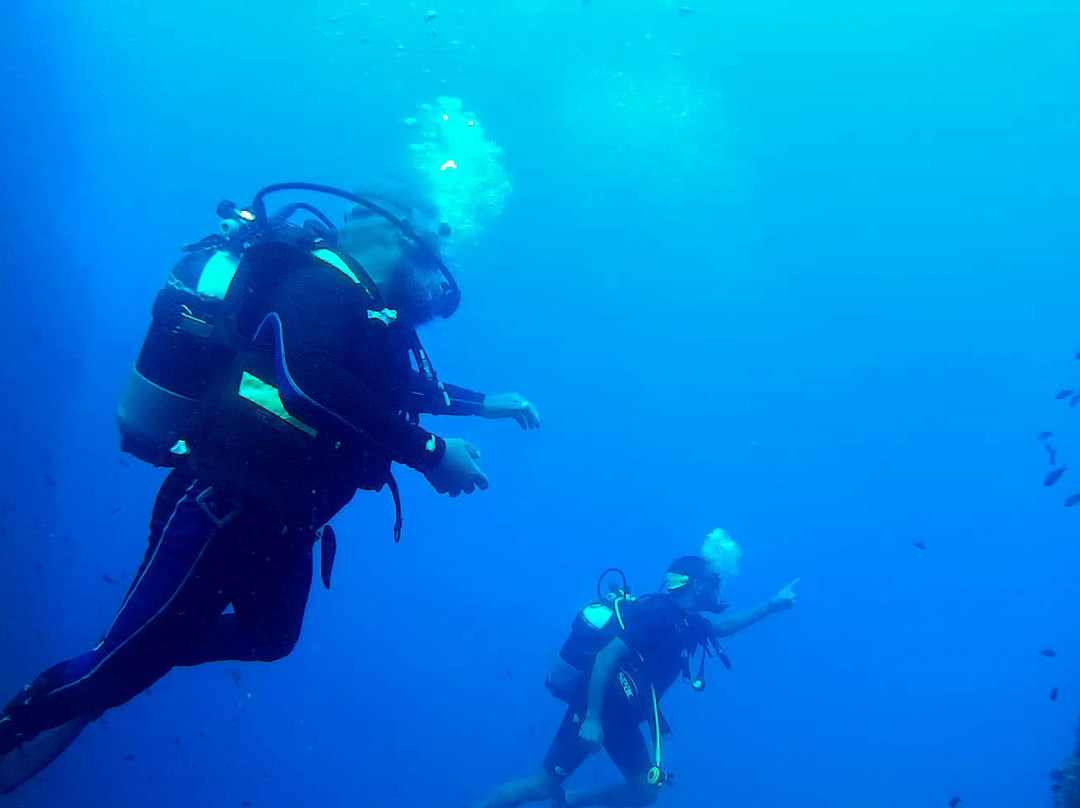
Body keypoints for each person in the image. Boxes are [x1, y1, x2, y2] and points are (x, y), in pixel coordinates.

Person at [0, 180, 540, 793]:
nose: (442, 259)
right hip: (221, 507)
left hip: (282, 523)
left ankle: (134, 653)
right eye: (436, 234)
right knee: (117, 673)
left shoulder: (367, 310)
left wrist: (482, 404)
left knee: (270, 637)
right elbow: (305, 380)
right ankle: (84, 684)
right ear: (389, 223)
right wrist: (432, 454)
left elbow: (396, 388)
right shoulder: (321, 282)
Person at [473, 556, 799, 808]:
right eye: (715, 582)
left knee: (645, 790)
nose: (719, 589)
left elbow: (723, 627)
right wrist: (591, 719)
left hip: (624, 717)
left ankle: (568, 801)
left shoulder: (688, 623)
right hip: (600, 708)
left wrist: (771, 606)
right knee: (539, 784)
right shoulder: (658, 615)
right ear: (698, 585)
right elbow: (606, 657)